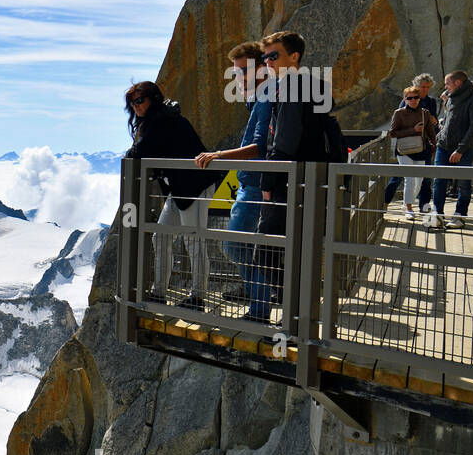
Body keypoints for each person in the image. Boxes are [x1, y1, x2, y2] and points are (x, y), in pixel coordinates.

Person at [245, 30, 342, 324]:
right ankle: (300, 314)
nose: (268, 62)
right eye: (265, 57)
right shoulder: (312, 85)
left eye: (274, 56)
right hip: (311, 181)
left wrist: (267, 184)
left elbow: (284, 142)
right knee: (299, 250)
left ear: (294, 56)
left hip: (288, 183)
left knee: (265, 252)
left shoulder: (291, 87)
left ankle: (294, 314)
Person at [124, 81, 221, 310]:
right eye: (132, 103)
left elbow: (139, 152)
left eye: (140, 100)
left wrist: (133, 151)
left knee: (193, 240)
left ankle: (197, 297)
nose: (136, 107)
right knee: (162, 236)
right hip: (180, 189)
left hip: (195, 186)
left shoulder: (161, 121)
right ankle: (159, 292)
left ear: (153, 99)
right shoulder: (160, 119)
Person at [195, 41, 273, 302]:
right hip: (253, 182)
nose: (238, 77)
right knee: (246, 245)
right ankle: (258, 294)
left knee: (233, 245)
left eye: (242, 71)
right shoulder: (260, 99)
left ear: (261, 68)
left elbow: (258, 147)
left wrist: (218, 156)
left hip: (254, 184)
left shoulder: (265, 100)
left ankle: (261, 300)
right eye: (236, 72)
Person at [428, 71, 473, 228]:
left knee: (464, 183)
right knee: (439, 181)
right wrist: (442, 130)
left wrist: (460, 150)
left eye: (447, 83)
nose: (445, 87)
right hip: (443, 146)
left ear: (457, 83)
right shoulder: (450, 98)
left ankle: (459, 215)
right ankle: (437, 215)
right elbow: (451, 121)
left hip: (463, 150)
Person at [383, 73, 439, 211]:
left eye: (427, 87)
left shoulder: (431, 102)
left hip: (423, 145)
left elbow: (433, 125)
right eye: (422, 87)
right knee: (400, 177)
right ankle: (386, 203)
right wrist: (413, 129)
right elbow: (398, 124)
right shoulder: (407, 100)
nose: (424, 90)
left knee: (424, 179)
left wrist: (433, 122)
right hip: (406, 146)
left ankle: (423, 206)